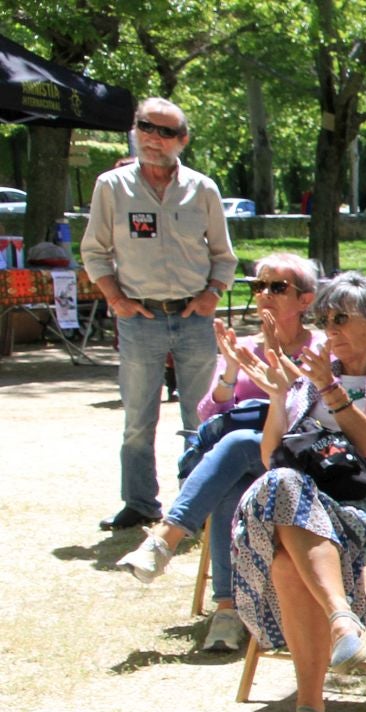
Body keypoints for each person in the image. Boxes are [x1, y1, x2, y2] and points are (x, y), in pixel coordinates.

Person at [226, 273, 366, 712]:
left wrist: (330, 389)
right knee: (283, 490)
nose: (330, 328)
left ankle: (311, 709)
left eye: (342, 317)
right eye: (324, 319)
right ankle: (340, 626)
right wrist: (280, 397)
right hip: (296, 504)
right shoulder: (307, 374)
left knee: (285, 553)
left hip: (364, 511)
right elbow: (273, 454)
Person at [114, 253, 319, 652]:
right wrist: (229, 368)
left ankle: (166, 538)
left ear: (305, 300)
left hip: (296, 457)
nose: (264, 295)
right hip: (246, 463)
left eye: (278, 287)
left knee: (238, 444)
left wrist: (278, 360)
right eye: (259, 286)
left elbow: (313, 405)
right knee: (232, 481)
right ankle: (229, 610)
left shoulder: (320, 347)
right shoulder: (242, 346)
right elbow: (209, 410)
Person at [81, 97, 238, 532]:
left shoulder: (202, 189)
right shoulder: (111, 187)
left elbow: (225, 257)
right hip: (139, 318)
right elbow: (94, 251)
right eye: (146, 127)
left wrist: (212, 294)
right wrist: (115, 298)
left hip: (193, 316)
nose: (153, 138)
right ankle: (139, 503)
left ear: (182, 140)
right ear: (135, 130)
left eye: (165, 132)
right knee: (137, 417)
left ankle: (198, 504)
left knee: (202, 416)